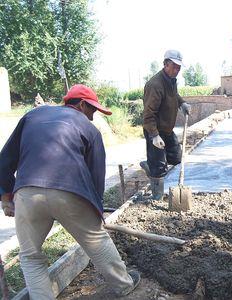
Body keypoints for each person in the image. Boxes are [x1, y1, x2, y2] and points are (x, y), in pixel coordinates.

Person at [0, 84, 140, 298]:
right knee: (97, 240)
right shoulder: (90, 129)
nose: (93, 117)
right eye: (92, 110)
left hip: (27, 193)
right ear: (82, 104)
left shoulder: (32, 116)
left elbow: (4, 161)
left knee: (30, 256)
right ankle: (124, 285)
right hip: (70, 191)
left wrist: (6, 198)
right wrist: (97, 211)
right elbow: (96, 176)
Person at [140, 49, 190, 200]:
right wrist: (154, 136)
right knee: (159, 168)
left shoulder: (170, 81)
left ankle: (152, 164)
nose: (177, 70)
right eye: (174, 66)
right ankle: (157, 196)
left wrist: (182, 103)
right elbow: (148, 115)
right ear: (165, 64)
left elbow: (173, 94)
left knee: (176, 157)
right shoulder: (155, 85)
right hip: (154, 129)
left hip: (167, 130)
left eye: (179, 67)